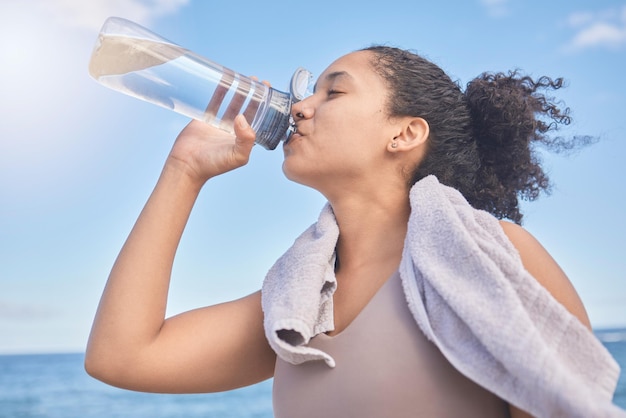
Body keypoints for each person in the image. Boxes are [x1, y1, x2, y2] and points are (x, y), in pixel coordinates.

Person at [85, 46, 619, 417]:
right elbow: (121, 356)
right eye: (308, 92)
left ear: (405, 133)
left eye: (332, 93)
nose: (299, 107)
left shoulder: (494, 257)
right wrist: (184, 171)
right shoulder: (294, 306)